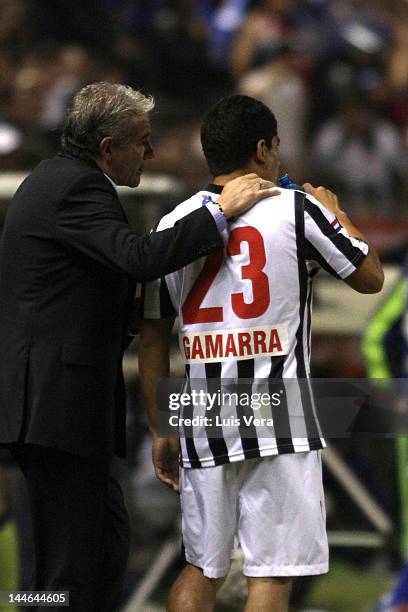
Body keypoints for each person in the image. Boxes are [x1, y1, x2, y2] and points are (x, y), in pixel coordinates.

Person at [0, 82, 279, 612]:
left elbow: (85, 288)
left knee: (101, 552)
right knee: (65, 568)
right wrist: (220, 211)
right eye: (143, 142)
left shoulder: (60, 181)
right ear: (108, 147)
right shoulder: (76, 188)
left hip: (63, 408)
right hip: (56, 407)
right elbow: (139, 257)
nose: (150, 154)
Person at [139, 94, 384, 612]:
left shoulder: (173, 224)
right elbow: (369, 277)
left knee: (202, 566)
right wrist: (337, 213)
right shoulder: (297, 209)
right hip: (278, 409)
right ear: (261, 149)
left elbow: (154, 334)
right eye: (275, 148)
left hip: (200, 411)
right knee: (273, 573)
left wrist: (161, 426)